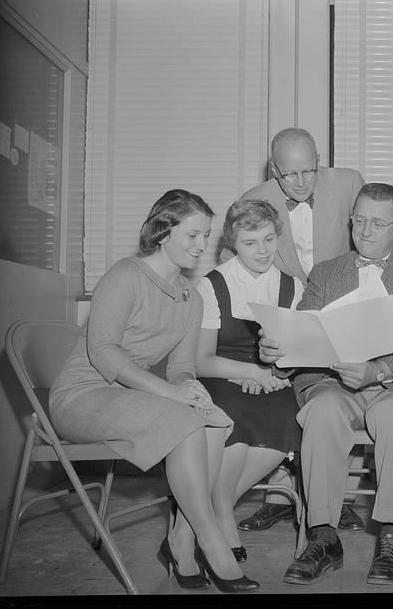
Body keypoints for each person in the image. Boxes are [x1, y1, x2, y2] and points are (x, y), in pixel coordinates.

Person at [49, 189, 258, 593]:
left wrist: (190, 388)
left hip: (129, 394)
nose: (202, 246)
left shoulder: (190, 297)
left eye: (206, 236)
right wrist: (170, 393)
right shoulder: (125, 275)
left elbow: (181, 367)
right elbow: (104, 352)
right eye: (192, 236)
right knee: (184, 420)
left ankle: (181, 540)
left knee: (213, 421)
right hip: (82, 395)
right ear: (163, 232)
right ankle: (211, 542)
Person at [259, 183, 393, 585]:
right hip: (337, 384)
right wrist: (279, 351)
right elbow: (302, 334)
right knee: (323, 410)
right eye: (358, 220)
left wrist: (379, 371)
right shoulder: (327, 272)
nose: (364, 231)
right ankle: (323, 535)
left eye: (377, 223)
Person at [225, 127, 367, 533]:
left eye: (311, 170)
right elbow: (234, 257)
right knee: (292, 400)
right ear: (274, 170)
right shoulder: (254, 198)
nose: (303, 183)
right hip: (284, 311)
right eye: (291, 175)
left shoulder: (349, 182)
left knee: (347, 393)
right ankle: (280, 497)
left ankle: (342, 501)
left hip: (341, 307)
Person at [195, 199, 304, 565]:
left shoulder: (293, 288)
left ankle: (210, 509)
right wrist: (250, 373)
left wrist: (277, 374)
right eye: (250, 242)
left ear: (279, 237)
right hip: (221, 375)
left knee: (294, 417)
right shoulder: (213, 286)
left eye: (269, 239)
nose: (262, 251)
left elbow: (298, 355)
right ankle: (223, 515)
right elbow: (201, 360)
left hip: (273, 380)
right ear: (232, 243)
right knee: (235, 414)